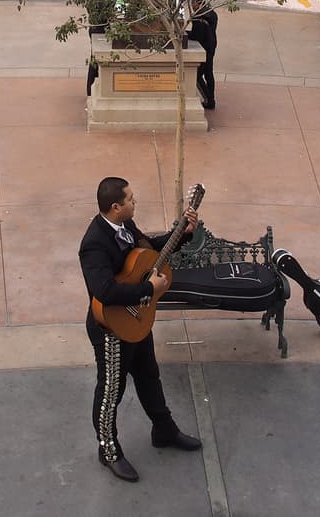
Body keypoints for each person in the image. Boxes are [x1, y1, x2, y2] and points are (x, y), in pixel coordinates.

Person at [79, 177, 201, 482]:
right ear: (115, 207)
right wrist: (148, 288)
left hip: (137, 319)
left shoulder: (125, 226)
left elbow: (148, 249)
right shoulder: (94, 243)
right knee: (111, 391)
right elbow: (104, 291)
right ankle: (108, 449)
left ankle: (164, 430)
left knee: (149, 376)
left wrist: (182, 233)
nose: (136, 202)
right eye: (131, 199)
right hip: (111, 328)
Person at [188, 0, 218, 110]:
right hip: (211, 46)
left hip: (204, 48)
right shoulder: (212, 13)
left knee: (196, 75)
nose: (192, 6)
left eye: (193, 4)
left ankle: (209, 99)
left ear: (198, 3)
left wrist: (184, 34)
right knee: (208, 73)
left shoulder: (199, 16)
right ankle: (211, 98)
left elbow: (196, 35)